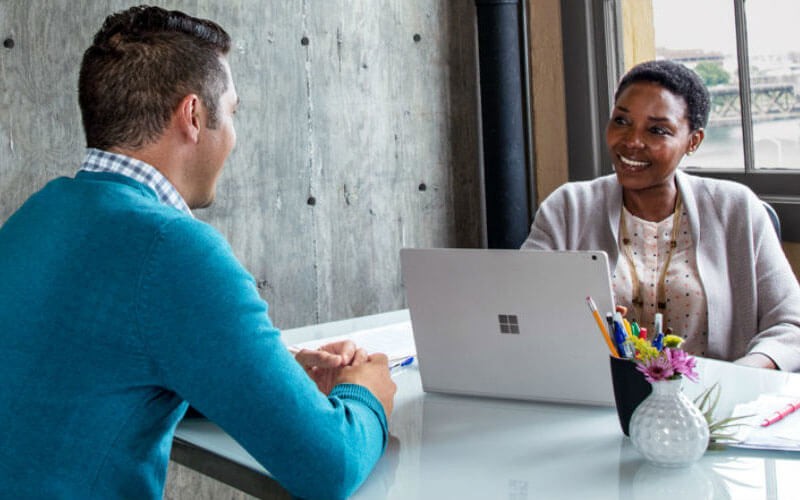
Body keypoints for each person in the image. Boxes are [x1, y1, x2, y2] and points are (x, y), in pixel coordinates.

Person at [0, 6, 395, 499]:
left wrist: (266, 375)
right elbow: (330, 465)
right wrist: (365, 391)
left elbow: (94, 372)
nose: (233, 134)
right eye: (231, 112)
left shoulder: (39, 213)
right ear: (193, 116)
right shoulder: (173, 249)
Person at [522, 59, 800, 372]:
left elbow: (792, 325)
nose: (631, 141)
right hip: (595, 392)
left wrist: (739, 377)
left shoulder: (736, 208)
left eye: (657, 130)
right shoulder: (568, 208)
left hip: (714, 397)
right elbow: (521, 307)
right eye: (621, 121)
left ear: (693, 141)